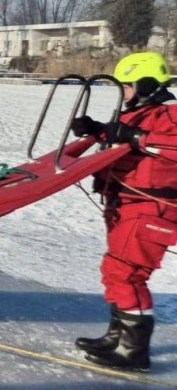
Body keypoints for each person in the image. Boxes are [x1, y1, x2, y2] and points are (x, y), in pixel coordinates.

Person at [70, 51, 177, 371]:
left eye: (127, 86)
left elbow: (156, 144)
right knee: (115, 270)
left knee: (127, 274)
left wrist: (137, 137)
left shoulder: (169, 117)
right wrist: (96, 129)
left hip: (152, 207)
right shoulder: (137, 116)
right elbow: (124, 139)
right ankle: (117, 336)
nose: (124, 93)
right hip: (124, 204)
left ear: (145, 85)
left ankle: (133, 350)